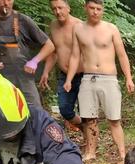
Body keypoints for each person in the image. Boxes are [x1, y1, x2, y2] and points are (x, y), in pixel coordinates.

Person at [63, 0, 135, 161]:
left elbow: (122, 55)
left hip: (109, 78)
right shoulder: (78, 29)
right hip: (88, 78)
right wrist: (68, 79)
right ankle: (91, 152)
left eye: (98, 9)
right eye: (92, 8)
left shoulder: (111, 29)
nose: (95, 12)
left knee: (114, 119)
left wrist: (129, 78)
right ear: (85, 8)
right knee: (89, 118)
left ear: (102, 10)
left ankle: (123, 154)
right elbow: (75, 55)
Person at [0, 0, 56, 108]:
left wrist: (34, 62)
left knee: (35, 109)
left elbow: (50, 45)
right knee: (2, 111)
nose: (6, 3)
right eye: (2, 0)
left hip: (23, 75)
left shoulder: (23, 20)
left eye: (9, 0)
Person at [40, 0, 86, 142]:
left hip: (83, 75)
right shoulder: (53, 26)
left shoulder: (80, 25)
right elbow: (53, 53)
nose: (57, 11)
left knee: (86, 111)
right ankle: (85, 128)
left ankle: (90, 143)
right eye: (54, 9)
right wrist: (46, 72)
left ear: (68, 8)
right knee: (65, 109)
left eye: (60, 7)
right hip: (64, 75)